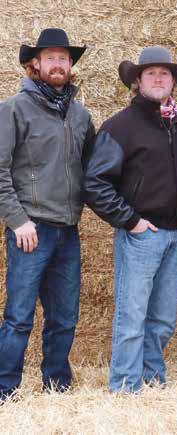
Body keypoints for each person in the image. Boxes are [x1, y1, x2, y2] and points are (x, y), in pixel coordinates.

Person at [82, 46, 177, 393]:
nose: (158, 79)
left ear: (173, 81)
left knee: (163, 319)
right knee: (132, 316)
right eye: (151, 74)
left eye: (165, 74)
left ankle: (152, 382)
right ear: (138, 81)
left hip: (176, 234)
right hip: (141, 235)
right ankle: (124, 387)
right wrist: (131, 221)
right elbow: (95, 182)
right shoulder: (121, 126)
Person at [0, 28, 94, 402]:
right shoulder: (13, 109)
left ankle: (57, 385)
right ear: (35, 64)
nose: (58, 64)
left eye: (63, 58)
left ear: (70, 66)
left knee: (65, 317)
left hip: (68, 231)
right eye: (50, 57)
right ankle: (5, 389)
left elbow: (96, 172)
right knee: (19, 316)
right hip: (30, 230)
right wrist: (18, 220)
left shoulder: (81, 116)